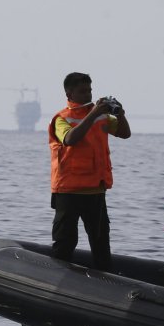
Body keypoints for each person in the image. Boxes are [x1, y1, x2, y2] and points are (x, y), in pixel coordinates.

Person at [48, 72, 131, 271]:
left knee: (101, 243)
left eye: (90, 90)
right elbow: (70, 139)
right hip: (68, 191)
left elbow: (124, 133)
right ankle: (57, 278)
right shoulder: (61, 119)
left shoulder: (101, 116)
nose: (88, 95)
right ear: (69, 93)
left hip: (95, 190)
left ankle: (105, 282)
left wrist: (120, 114)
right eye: (82, 91)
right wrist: (92, 114)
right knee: (66, 241)